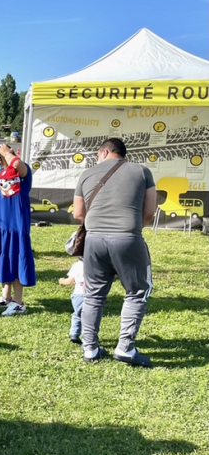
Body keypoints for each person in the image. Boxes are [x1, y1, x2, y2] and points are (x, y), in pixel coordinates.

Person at [72, 138, 156, 367]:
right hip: (128, 238)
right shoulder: (142, 171)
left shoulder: (87, 174)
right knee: (138, 291)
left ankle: (89, 348)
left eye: (98, 155)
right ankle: (125, 347)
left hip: (94, 240)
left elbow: (79, 213)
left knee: (93, 295)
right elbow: (149, 211)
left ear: (105, 152)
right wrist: (130, 227)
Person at [0, 143, 36, 316]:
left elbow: (18, 165)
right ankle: (6, 297)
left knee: (15, 259)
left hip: (14, 228)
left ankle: (18, 302)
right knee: (2, 259)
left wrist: (8, 154)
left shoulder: (21, 173)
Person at [59, 258, 85, 345]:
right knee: (90, 318)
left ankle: (74, 334)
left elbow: (69, 281)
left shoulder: (78, 265)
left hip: (78, 296)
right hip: (92, 296)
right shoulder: (97, 264)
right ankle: (89, 337)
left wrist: (62, 281)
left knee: (77, 315)